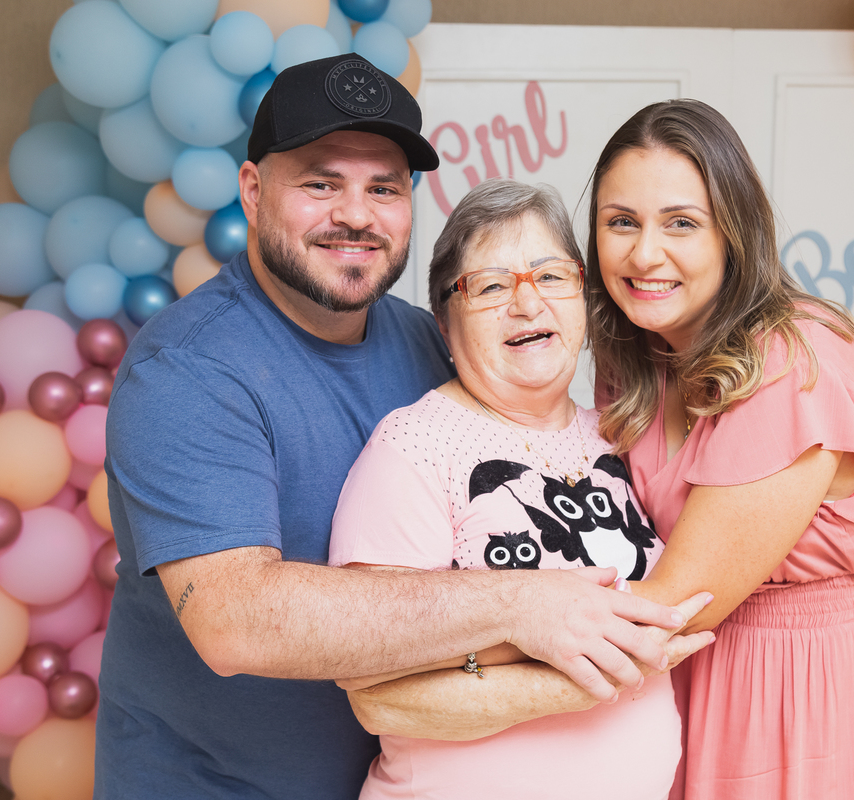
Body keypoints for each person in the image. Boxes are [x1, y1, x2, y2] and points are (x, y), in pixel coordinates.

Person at [95, 55, 684, 800]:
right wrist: (525, 601)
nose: (356, 215)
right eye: (321, 184)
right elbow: (235, 621)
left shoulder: (430, 341)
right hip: (214, 785)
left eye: (383, 188)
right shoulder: (188, 370)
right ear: (252, 191)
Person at [584, 99, 854, 798]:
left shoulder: (788, 359)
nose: (644, 254)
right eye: (621, 222)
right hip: (697, 670)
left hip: (818, 681)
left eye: (681, 223)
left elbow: (676, 606)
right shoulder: (637, 361)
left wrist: (472, 637)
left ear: (735, 233)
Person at [327, 178, 714, 799]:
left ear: (583, 297)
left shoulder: (620, 435)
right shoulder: (413, 446)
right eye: (490, 286)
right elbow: (378, 694)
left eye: (551, 276)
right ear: (445, 323)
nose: (528, 304)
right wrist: (592, 676)